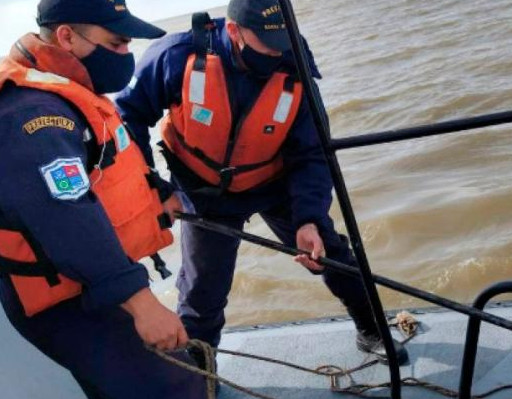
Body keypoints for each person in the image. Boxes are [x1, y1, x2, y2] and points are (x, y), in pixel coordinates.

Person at [115, 0, 408, 365]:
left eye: (284, 40)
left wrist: (308, 218)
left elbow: (312, 153)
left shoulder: (295, 66)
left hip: (273, 181)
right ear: (233, 30)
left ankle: (372, 329)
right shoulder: (176, 55)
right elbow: (127, 117)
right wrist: (154, 188)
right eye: (268, 42)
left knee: (331, 254)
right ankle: (202, 374)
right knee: (203, 289)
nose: (277, 51)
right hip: (203, 191)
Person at [0, 0, 232, 399]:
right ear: (67, 36)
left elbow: (99, 168)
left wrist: (157, 195)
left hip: (87, 287)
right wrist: (142, 304)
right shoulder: (31, 114)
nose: (126, 55)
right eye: (117, 42)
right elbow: (64, 220)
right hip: (69, 301)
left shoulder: (60, 86)